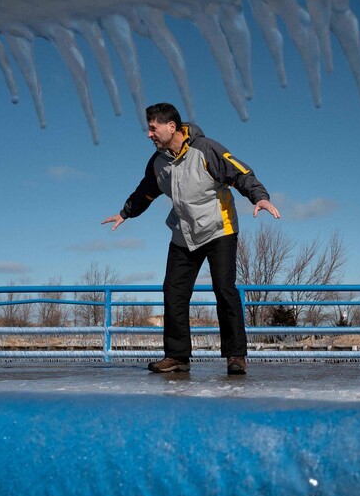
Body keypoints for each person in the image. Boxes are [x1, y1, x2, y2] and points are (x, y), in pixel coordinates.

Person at [102, 103, 280, 375]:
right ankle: (177, 356)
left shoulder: (206, 149)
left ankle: (235, 355)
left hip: (220, 229)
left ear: (171, 127)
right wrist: (125, 213)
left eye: (153, 128)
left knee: (224, 289)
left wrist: (260, 197)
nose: (149, 134)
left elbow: (240, 173)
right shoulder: (158, 162)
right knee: (173, 292)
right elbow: (146, 192)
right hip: (184, 234)